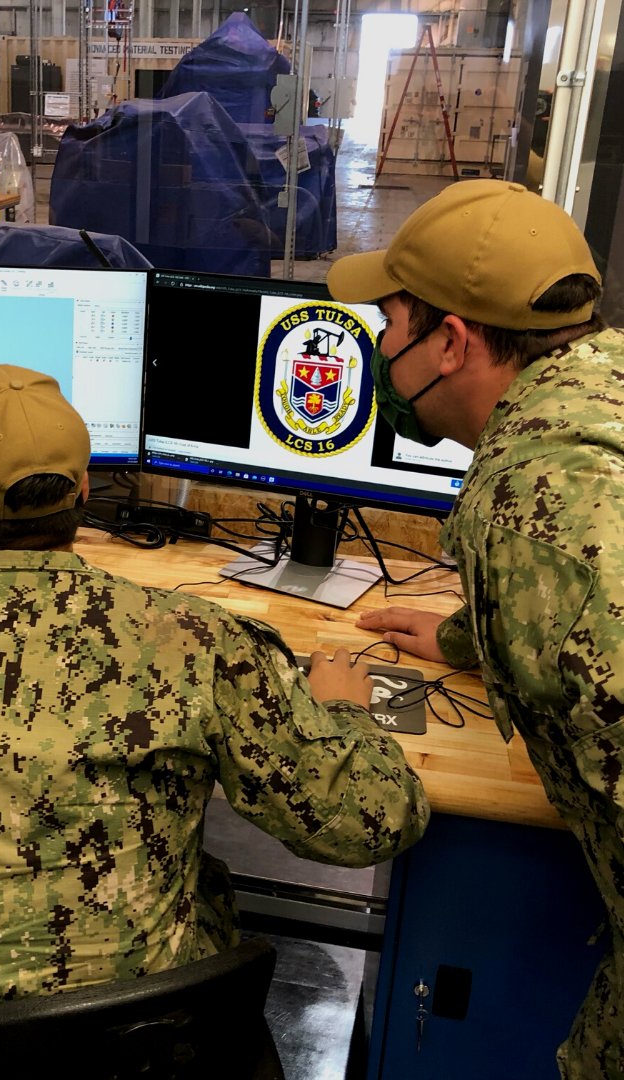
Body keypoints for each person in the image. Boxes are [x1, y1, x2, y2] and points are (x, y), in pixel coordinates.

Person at [0, 363, 429, 1079]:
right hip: (146, 1048)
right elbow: (377, 820)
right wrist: (342, 710)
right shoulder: (194, 641)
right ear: (82, 491)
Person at [327, 179, 622, 1079]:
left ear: (450, 342)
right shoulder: (599, 399)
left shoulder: (530, 517)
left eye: (390, 321)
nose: (382, 347)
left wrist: (344, 721)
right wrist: (472, 637)